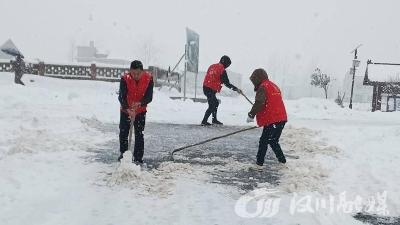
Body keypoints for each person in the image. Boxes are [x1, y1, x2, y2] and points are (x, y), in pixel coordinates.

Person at [246, 68, 287, 168]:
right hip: (281, 118)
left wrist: (251, 114)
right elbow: (269, 102)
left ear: (258, 78)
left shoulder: (263, 87)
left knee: (264, 140)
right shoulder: (273, 85)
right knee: (273, 140)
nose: (253, 83)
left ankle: (259, 163)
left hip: (272, 119)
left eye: (254, 80)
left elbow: (259, 102)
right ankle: (282, 161)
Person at [118, 60, 153, 164]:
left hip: (140, 111)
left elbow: (149, 97)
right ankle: (124, 155)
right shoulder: (125, 79)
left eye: (138, 73)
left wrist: (140, 103)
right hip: (126, 110)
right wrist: (127, 109)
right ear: (130, 71)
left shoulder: (148, 78)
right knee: (124, 133)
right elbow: (121, 97)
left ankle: (138, 157)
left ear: (142, 71)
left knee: (139, 133)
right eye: (133, 73)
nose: (136, 75)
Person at [201, 55, 242, 126]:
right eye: (228, 65)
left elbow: (212, 77)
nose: (227, 67)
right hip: (210, 89)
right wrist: (236, 89)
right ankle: (204, 121)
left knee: (215, 103)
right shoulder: (222, 70)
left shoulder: (212, 66)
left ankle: (214, 120)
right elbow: (227, 83)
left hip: (206, 87)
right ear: (226, 63)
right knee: (212, 105)